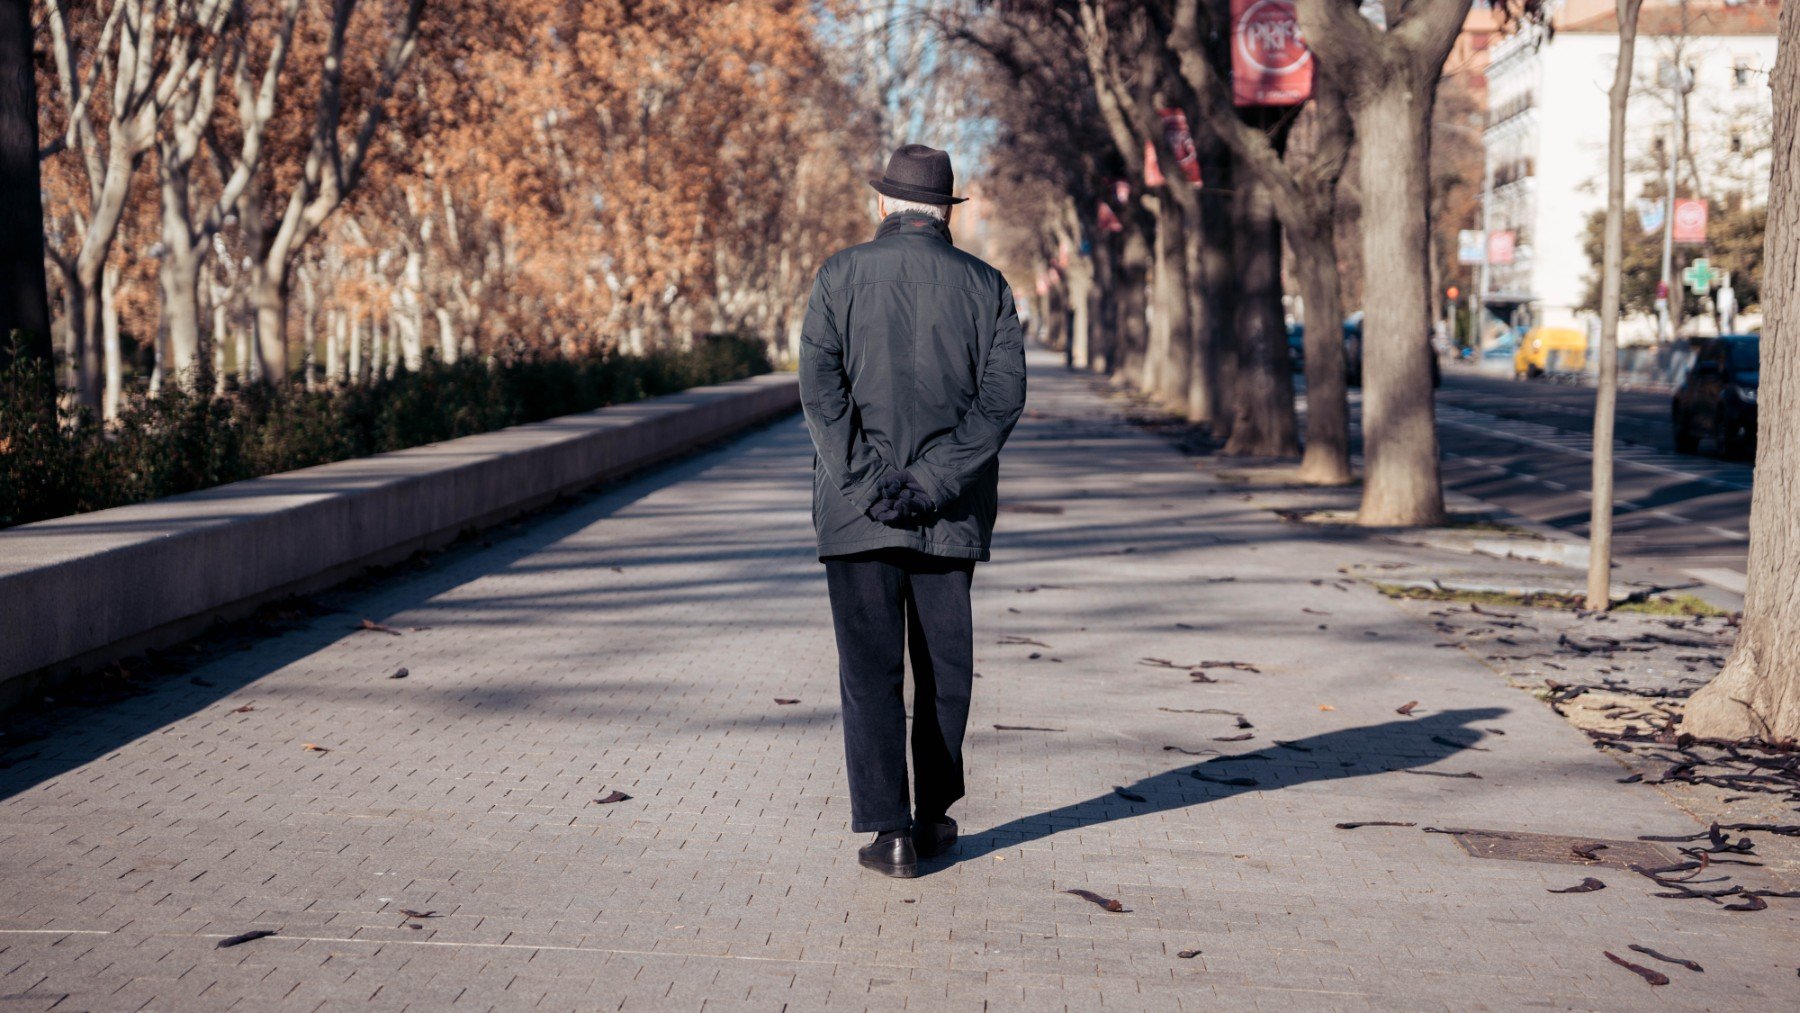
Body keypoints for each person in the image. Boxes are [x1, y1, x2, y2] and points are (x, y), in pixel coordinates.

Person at [798, 143, 1028, 878]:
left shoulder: (838, 276)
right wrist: (929, 484)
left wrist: (867, 485)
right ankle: (934, 815)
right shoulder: (987, 286)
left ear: (884, 206)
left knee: (868, 672)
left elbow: (821, 395)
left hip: (855, 515)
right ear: (946, 211)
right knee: (944, 669)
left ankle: (889, 832)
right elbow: (1001, 403)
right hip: (948, 515)